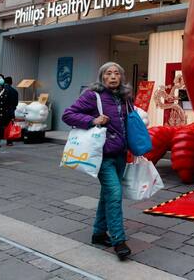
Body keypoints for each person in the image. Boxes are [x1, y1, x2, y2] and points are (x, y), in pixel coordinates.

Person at [62, 62, 133, 260]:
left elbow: (128, 124)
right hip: (103, 155)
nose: (113, 77)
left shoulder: (125, 97)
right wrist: (92, 120)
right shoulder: (92, 95)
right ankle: (119, 240)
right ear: (102, 77)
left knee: (108, 194)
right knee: (115, 193)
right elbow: (68, 115)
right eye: (108, 73)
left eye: (116, 73)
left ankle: (99, 233)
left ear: (121, 77)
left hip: (121, 154)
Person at [4, 76, 19, 146]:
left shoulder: (1, 90)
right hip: (11, 111)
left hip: (1, 111)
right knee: (10, 126)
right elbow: (16, 103)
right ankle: (9, 141)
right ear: (11, 82)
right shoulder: (15, 91)